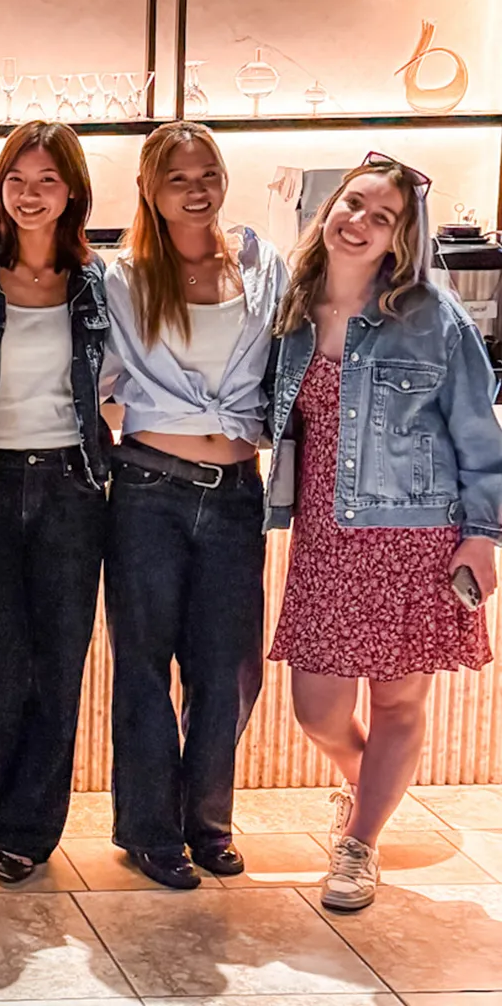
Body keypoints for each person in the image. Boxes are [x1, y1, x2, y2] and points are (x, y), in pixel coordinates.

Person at [264, 154, 500, 911]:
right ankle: (366, 789)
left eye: (383, 217)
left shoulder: (434, 317)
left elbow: (480, 436)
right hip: (326, 540)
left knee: (398, 703)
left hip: (414, 537)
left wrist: (482, 535)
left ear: (402, 238)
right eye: (353, 204)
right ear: (329, 207)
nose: (360, 223)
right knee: (317, 711)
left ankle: (360, 843)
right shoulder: (292, 308)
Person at [102, 120, 288, 889]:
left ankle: (206, 822)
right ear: (149, 188)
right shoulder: (122, 278)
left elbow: (294, 357)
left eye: (207, 173)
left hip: (238, 491)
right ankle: (149, 831)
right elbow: (93, 376)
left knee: (230, 669)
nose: (196, 189)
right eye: (177, 178)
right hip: (149, 490)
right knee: (144, 665)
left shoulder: (262, 265)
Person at [0, 123, 111, 886]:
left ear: (72, 192)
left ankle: (24, 830)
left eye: (46, 182)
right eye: (16, 180)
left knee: (57, 666)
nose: (29, 196)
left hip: (73, 485)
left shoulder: (97, 281)